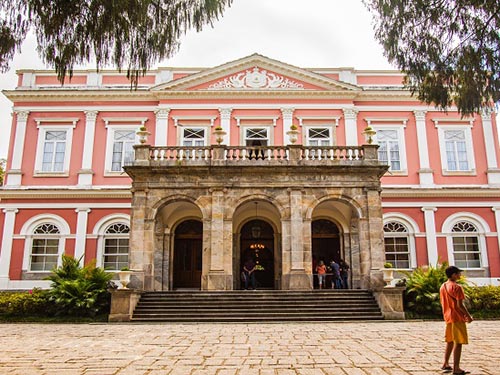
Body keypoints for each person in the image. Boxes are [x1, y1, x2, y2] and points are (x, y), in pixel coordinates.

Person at [439, 266, 473, 375]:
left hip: (448, 316)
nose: (460, 275)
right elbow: (460, 305)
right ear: (453, 275)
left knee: (450, 341)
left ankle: (445, 363)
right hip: (457, 317)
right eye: (458, 273)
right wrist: (468, 316)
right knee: (458, 342)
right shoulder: (457, 287)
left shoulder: (443, 286)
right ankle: (456, 368)